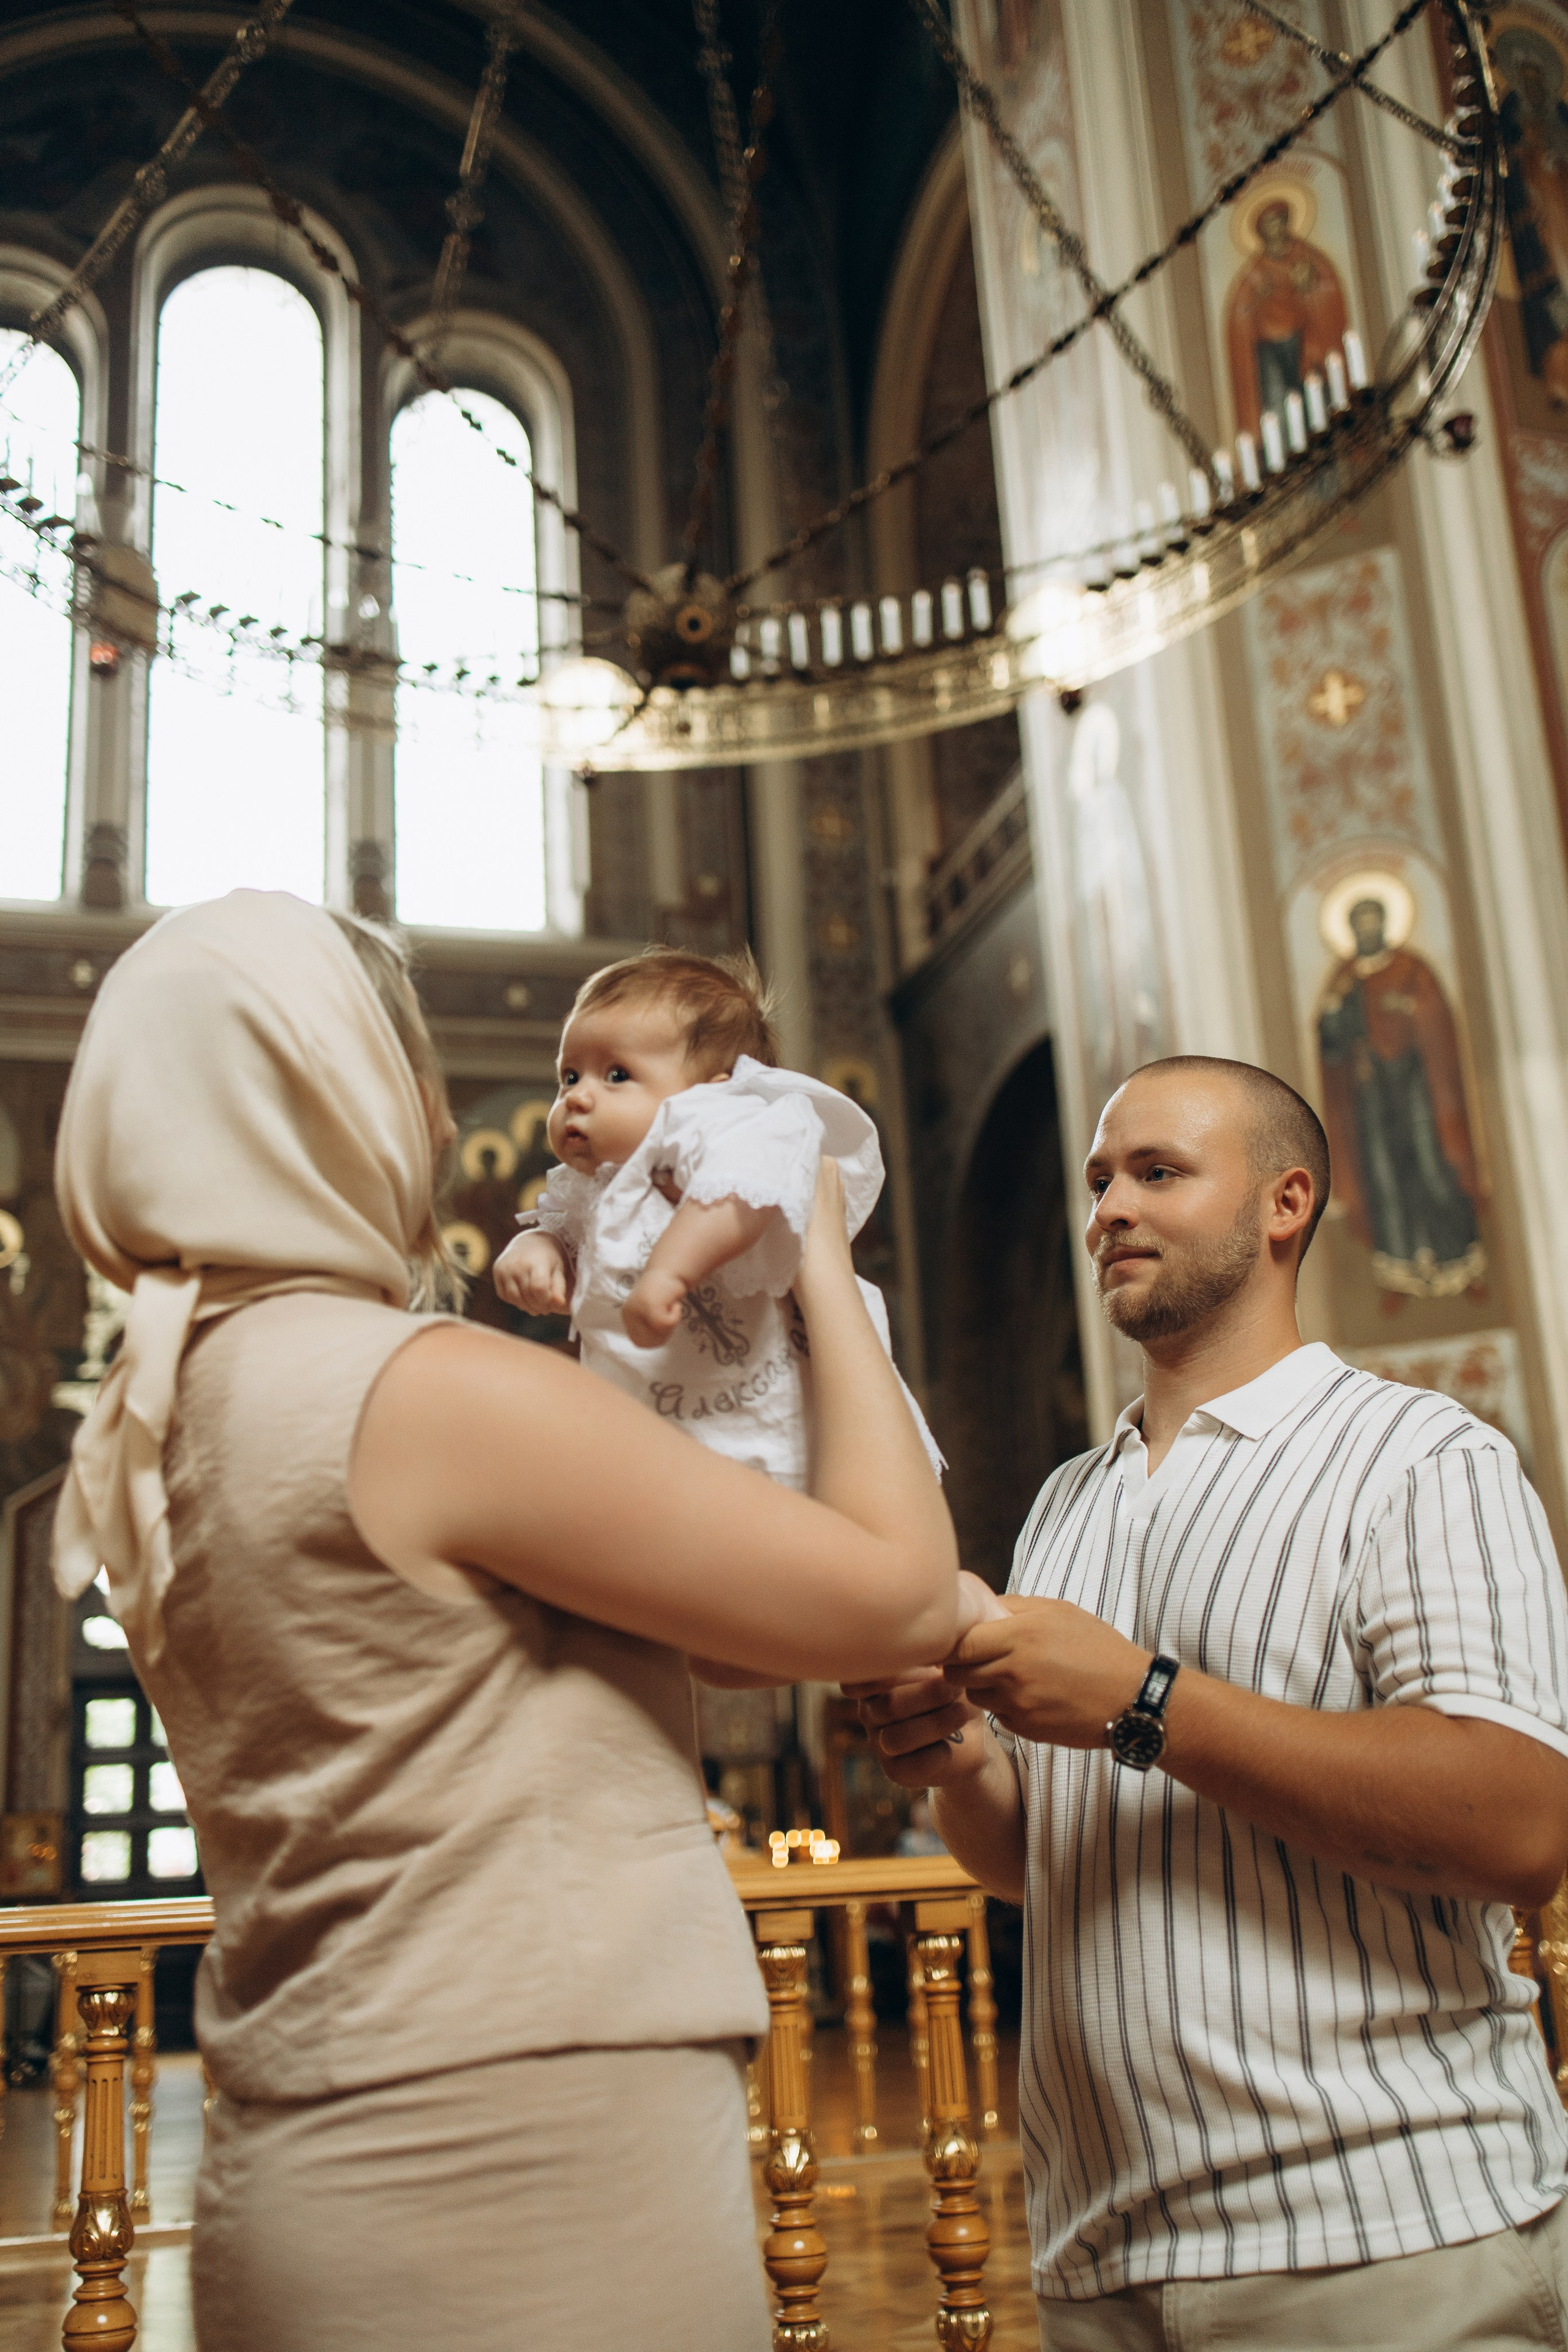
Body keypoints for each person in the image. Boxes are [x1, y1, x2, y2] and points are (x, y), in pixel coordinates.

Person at [50, 890, 963, 2352]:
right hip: (525, 2164)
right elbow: (898, 1591)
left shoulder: (163, 1411)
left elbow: (716, 1630)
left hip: (310, 2137)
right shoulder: (428, 1390)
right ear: (332, 1086)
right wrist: (821, 1248)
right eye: (405, 1063)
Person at [856, 1054, 1568, 2351]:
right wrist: (957, 1757)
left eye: (1157, 1173)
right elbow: (1038, 1860)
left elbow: (1515, 1823)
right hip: (1101, 2250)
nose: (1106, 1210)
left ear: (1282, 1204)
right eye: (1096, 1183)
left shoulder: (1420, 1459)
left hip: (1379, 2240)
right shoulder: (1069, 1502)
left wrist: (1141, 1697)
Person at [491, 946, 943, 1488]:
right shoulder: (592, 1188)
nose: (578, 1098)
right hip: (658, 1446)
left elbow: (743, 1198)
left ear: (714, 1091)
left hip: (779, 1434)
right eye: (568, 1077)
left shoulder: (731, 1128)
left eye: (616, 1074)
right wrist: (534, 1250)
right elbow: (562, 1231)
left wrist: (669, 1272)